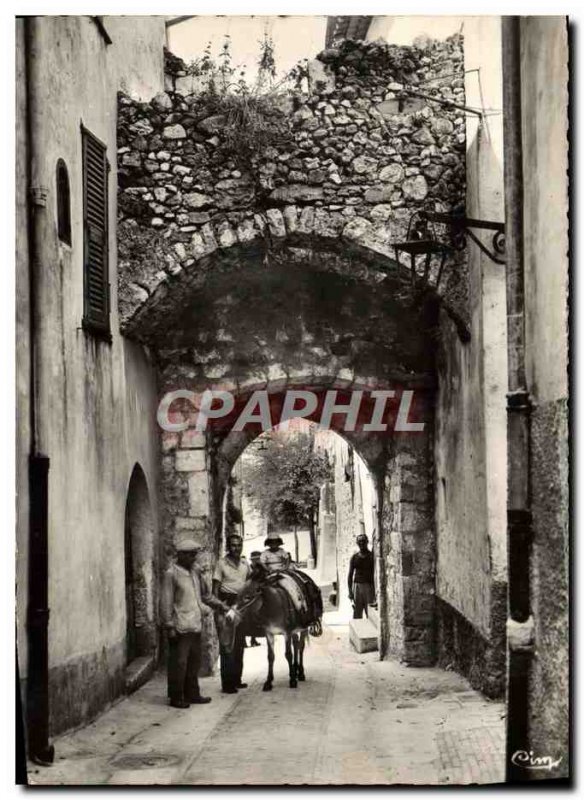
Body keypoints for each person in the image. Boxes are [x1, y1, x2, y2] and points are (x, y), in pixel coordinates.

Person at [161, 539, 228, 709]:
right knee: (179, 663)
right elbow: (166, 602)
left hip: (196, 623)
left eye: (194, 554)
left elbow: (205, 596)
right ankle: (176, 696)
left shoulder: (195, 572)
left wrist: (221, 605)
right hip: (180, 626)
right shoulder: (171, 573)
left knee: (194, 661)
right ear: (181, 555)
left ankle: (193, 694)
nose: (194, 558)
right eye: (190, 555)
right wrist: (169, 626)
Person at [213, 534, 251, 693]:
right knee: (227, 645)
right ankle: (227, 684)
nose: (236, 548)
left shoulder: (245, 563)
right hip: (226, 605)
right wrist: (219, 608)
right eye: (233, 545)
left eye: (239, 545)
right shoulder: (221, 564)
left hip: (241, 607)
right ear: (229, 546)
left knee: (240, 644)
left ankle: (237, 679)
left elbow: (249, 583)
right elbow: (215, 588)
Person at [348, 533, 375, 619]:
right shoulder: (354, 558)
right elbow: (350, 575)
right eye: (359, 542)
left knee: (370, 613)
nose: (361, 543)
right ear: (357, 543)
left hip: (368, 587)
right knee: (357, 613)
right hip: (357, 587)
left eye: (363, 541)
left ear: (367, 542)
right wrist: (350, 592)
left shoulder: (371, 557)